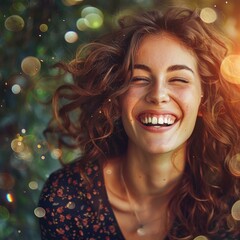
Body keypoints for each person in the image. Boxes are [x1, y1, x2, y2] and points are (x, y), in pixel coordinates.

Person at [38, 6, 240, 240]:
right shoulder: (67, 197)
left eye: (179, 79)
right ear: (117, 96)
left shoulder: (230, 204)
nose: (158, 94)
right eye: (140, 78)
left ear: (204, 102)